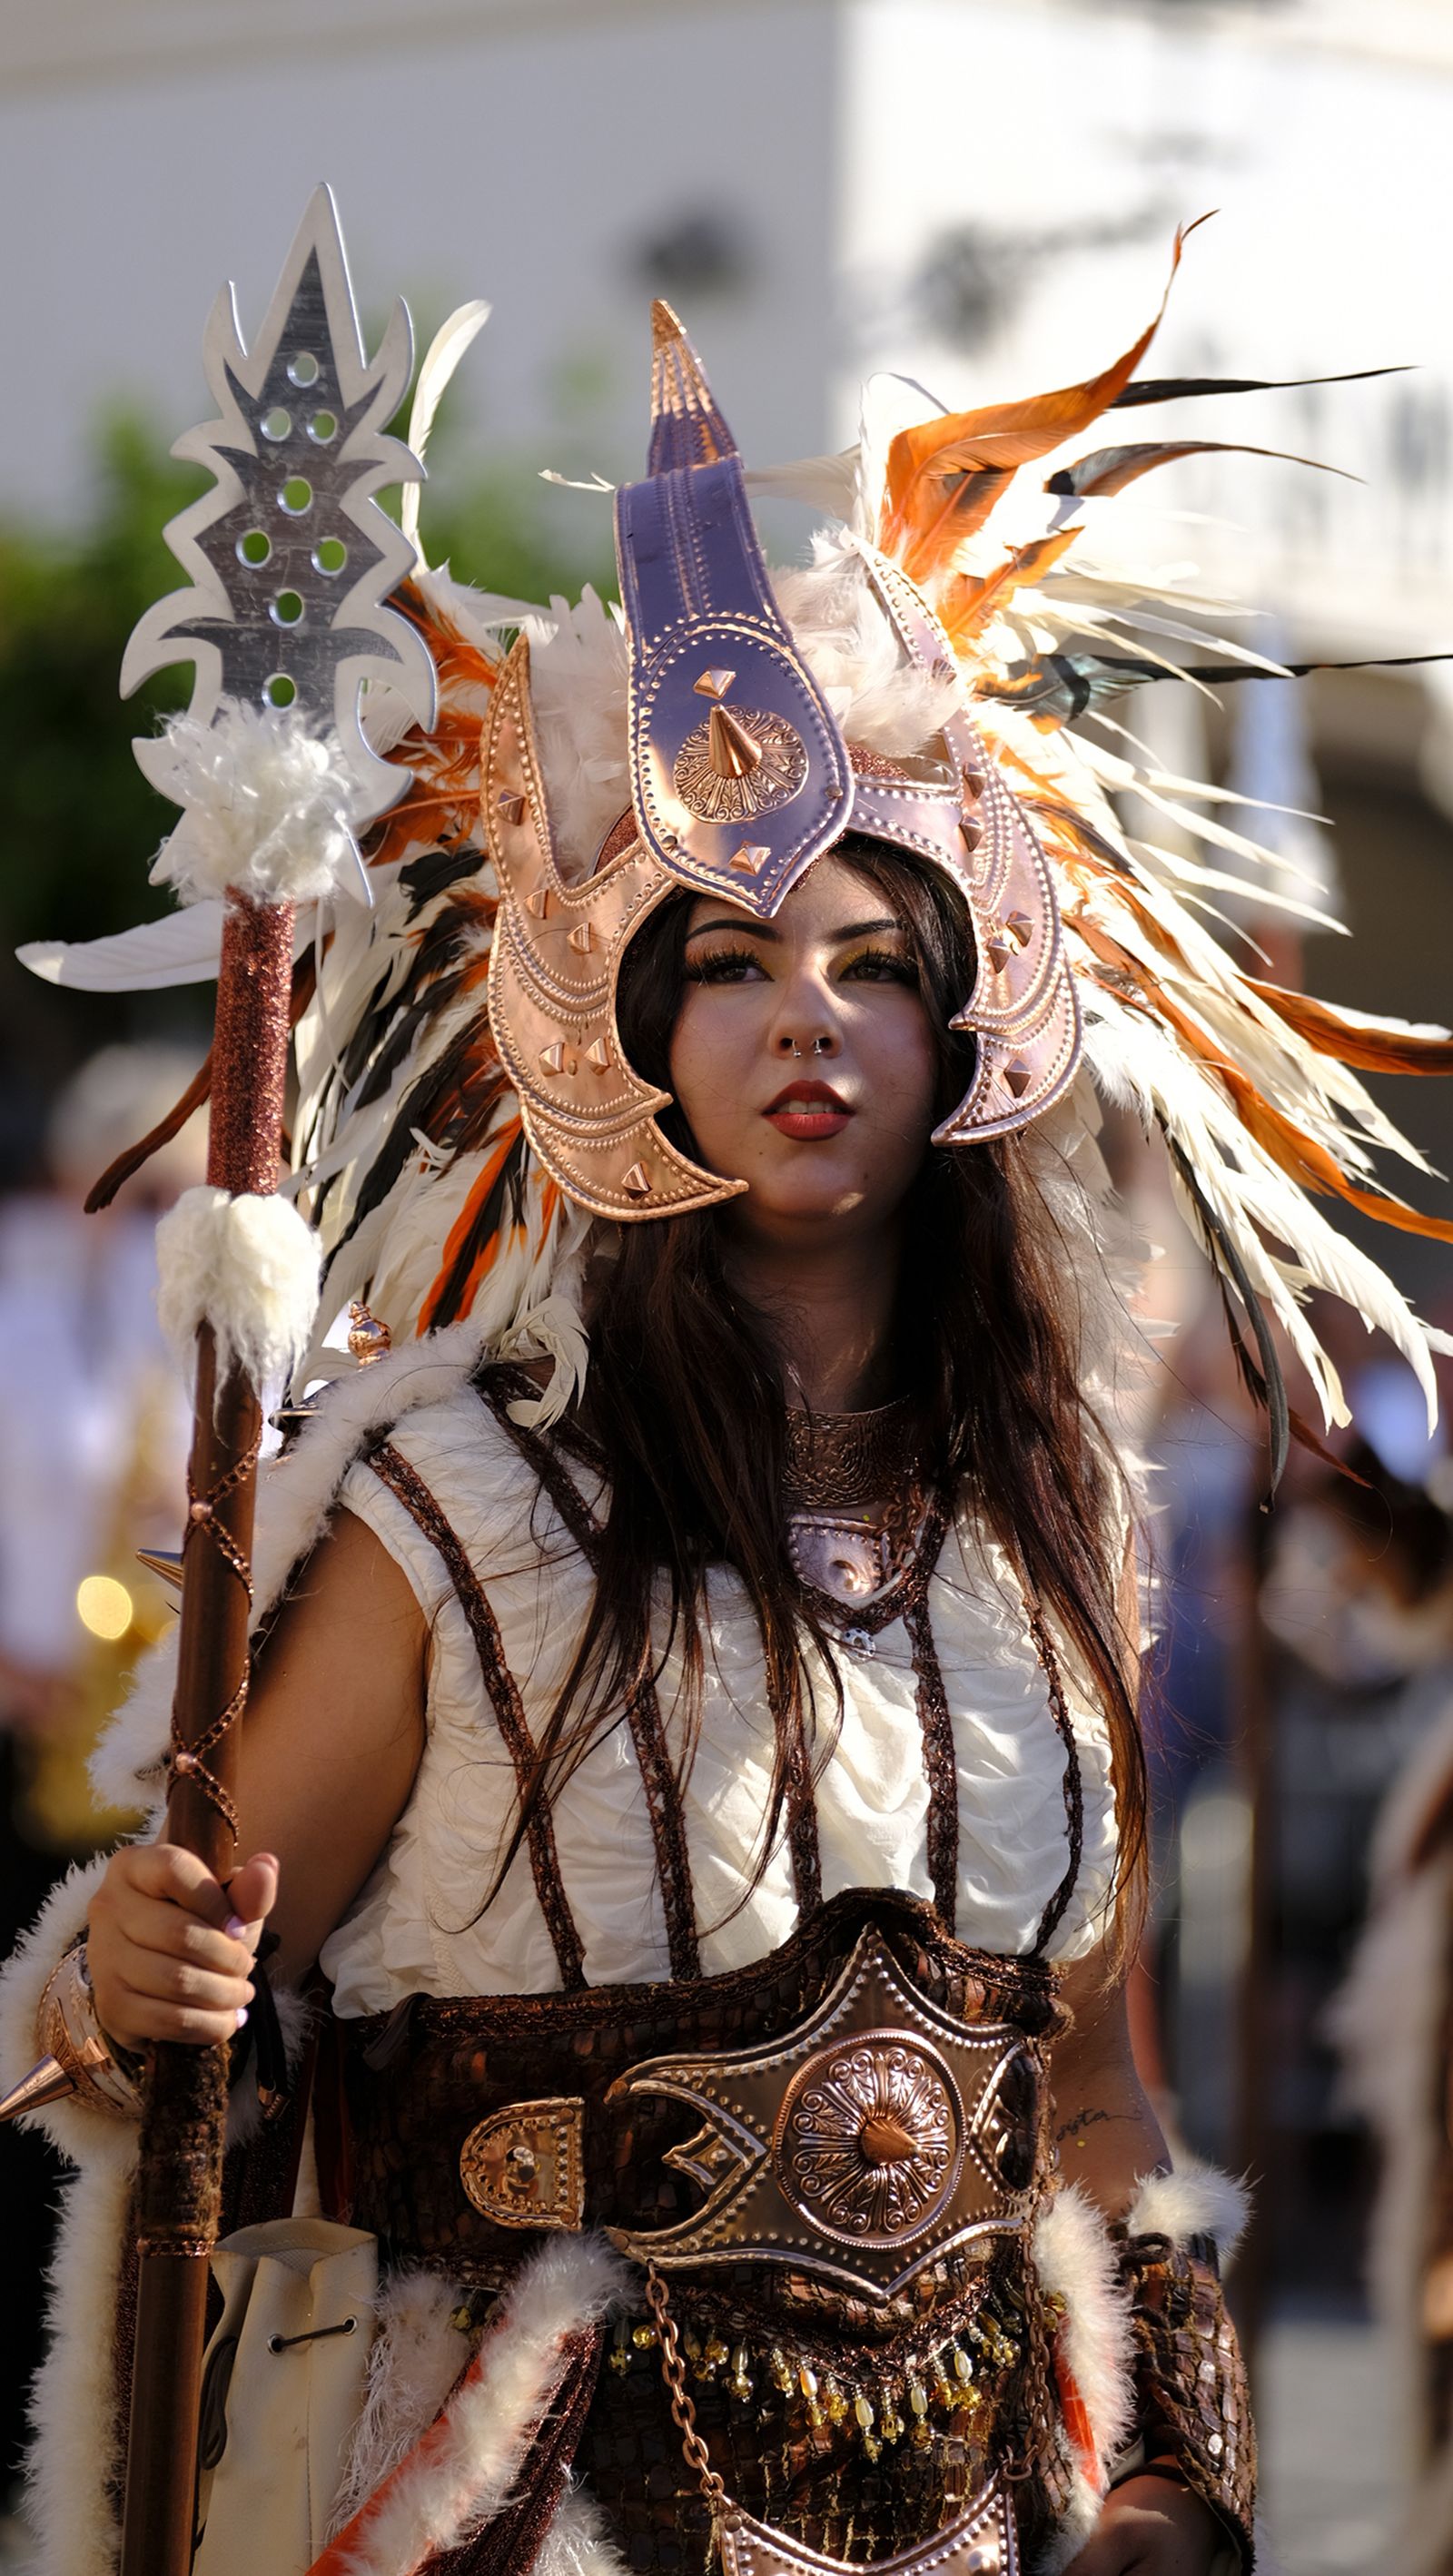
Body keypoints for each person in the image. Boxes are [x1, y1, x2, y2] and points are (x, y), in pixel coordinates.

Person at [5, 265, 1451, 2576]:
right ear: (638, 1040)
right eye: (738, 965)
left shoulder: (1051, 1522)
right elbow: (149, 2009)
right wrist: (124, 1975)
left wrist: (1176, 2463)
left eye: (874, 963)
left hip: (988, 2504)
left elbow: (1089, 2086)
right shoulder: (451, 1499)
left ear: (959, 1036)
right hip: (522, 2496)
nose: (810, 1021)